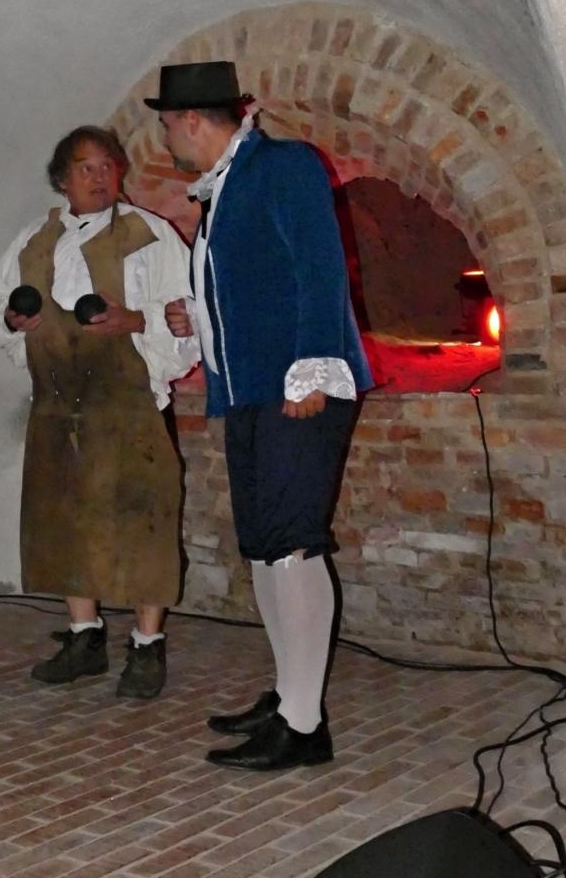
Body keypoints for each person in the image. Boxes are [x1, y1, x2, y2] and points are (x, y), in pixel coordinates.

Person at [151, 61, 373, 770]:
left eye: (167, 125)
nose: (166, 139)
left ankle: (304, 726)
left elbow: (319, 267)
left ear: (191, 120)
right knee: (265, 546)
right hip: (250, 387)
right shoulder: (225, 186)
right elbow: (256, 283)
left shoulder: (284, 165)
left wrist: (313, 366)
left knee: (292, 545)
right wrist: (196, 314)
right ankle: (288, 696)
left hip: (298, 385)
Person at [0, 126, 196, 699]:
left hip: (127, 403)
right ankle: (84, 636)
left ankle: (147, 645)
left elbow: (187, 313)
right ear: (62, 179)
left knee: (143, 522)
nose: (99, 177)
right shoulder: (33, 239)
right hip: (56, 406)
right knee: (65, 521)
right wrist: (13, 322)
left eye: (107, 166)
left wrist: (137, 320)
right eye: (85, 168)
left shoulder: (149, 234)